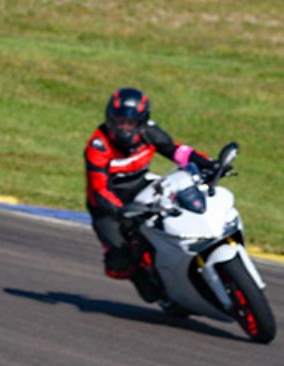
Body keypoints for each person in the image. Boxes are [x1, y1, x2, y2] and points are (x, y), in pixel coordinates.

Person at [84, 86, 215, 303]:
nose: (124, 129)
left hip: (142, 187)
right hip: (108, 206)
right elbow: (99, 190)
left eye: (130, 123)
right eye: (119, 122)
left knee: (181, 201)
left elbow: (176, 151)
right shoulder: (97, 146)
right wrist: (120, 212)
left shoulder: (149, 132)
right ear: (109, 120)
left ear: (141, 122)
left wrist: (207, 163)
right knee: (120, 261)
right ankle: (140, 275)